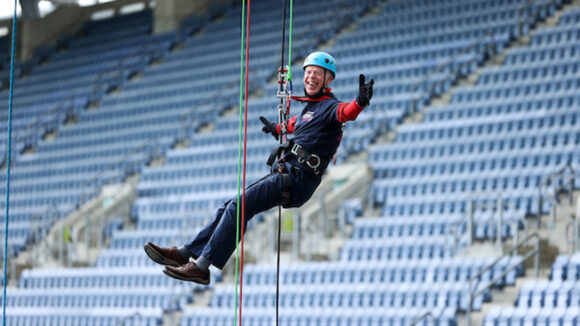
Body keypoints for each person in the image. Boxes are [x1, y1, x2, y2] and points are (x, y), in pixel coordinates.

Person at [144, 51, 374, 284]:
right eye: (308, 73)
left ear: (329, 80)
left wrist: (360, 103)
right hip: (289, 175)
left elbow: (346, 113)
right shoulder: (309, 110)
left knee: (238, 206)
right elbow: (295, 124)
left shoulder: (330, 107)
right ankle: (184, 253)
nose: (311, 77)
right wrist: (277, 128)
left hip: (297, 179)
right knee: (229, 207)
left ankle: (201, 266)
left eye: (317, 74)